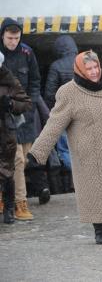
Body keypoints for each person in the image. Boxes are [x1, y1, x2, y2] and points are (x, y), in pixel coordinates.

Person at [28, 50, 102, 244]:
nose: (93, 72)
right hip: (92, 152)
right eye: (88, 69)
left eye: (95, 67)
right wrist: (37, 153)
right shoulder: (69, 93)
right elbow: (54, 125)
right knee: (95, 192)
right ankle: (101, 229)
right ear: (80, 70)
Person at [0, 18, 45, 220]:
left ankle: (7, 198)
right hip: (5, 116)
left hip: (23, 111)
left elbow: (35, 81)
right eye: (10, 38)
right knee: (16, 159)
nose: (13, 42)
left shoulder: (27, 53)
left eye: (16, 38)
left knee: (23, 158)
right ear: (2, 36)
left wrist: (31, 105)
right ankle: (19, 202)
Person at [0, 50, 32, 223]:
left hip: (5, 131)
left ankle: (9, 209)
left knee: (6, 171)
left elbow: (26, 102)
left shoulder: (9, 79)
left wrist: (11, 104)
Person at [43, 35, 78, 194]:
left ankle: (73, 181)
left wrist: (51, 112)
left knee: (65, 149)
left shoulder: (56, 66)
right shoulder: (84, 62)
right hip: (83, 113)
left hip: (63, 114)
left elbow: (49, 94)